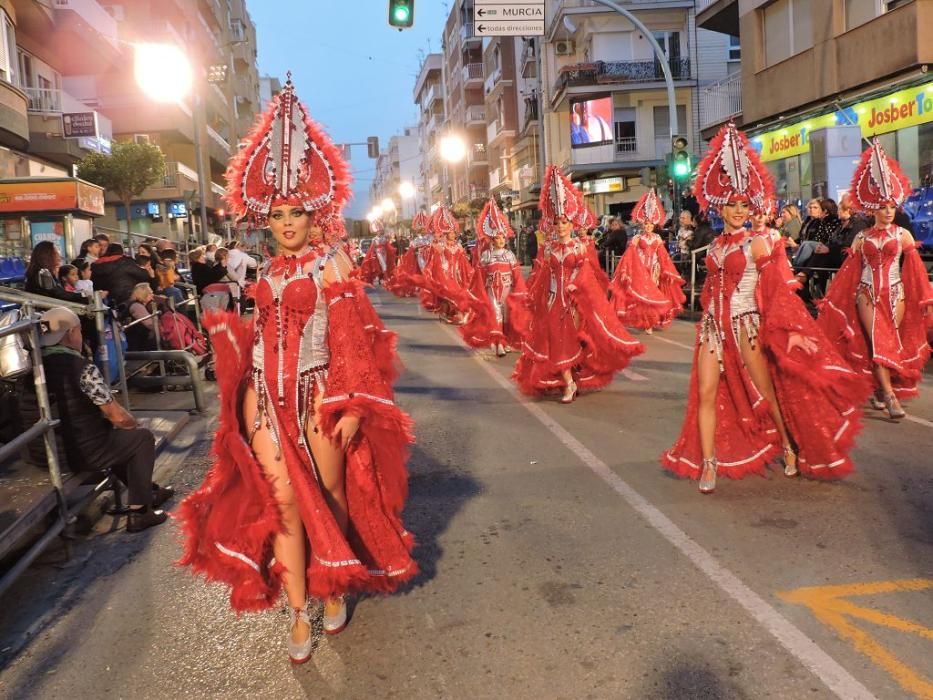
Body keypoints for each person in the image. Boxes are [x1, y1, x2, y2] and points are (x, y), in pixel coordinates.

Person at [177, 78, 416, 662]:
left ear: (314, 216)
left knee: (330, 493)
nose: (287, 223)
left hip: (317, 395)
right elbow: (259, 336)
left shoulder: (333, 267)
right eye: (278, 214)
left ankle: (331, 584)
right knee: (282, 503)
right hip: (267, 400)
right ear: (267, 219)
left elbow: (351, 342)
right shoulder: (262, 267)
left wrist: (351, 404)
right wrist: (244, 392)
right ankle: (298, 611)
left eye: (296, 213)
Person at [661, 123, 867, 494]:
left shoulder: (757, 245)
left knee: (766, 392)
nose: (739, 211)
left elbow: (776, 294)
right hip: (713, 329)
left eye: (744, 205)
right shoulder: (713, 247)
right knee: (705, 393)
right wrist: (707, 314)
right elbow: (710, 289)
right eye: (732, 204)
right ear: (719, 206)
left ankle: (788, 445)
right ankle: (709, 463)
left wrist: (791, 334)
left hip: (746, 326)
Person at [818, 139, 933, 420]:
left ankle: (880, 388)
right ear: (872, 209)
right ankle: (891, 396)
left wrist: (925, 298)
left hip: (896, 294)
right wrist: (835, 302)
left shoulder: (903, 235)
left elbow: (915, 271)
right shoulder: (861, 237)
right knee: (877, 339)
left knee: (885, 342)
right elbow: (848, 274)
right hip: (866, 294)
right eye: (882, 206)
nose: (888, 210)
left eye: (892, 205)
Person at [512, 165, 644, 403]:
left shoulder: (579, 247)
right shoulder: (550, 248)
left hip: (575, 302)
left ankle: (574, 377)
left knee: (574, 341)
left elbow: (586, 273)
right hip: (554, 301)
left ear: (571, 224)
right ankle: (569, 383)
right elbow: (543, 276)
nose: (561, 226)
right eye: (557, 222)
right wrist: (535, 297)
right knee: (555, 340)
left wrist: (576, 288)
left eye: (564, 222)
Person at [37, 307, 171, 532]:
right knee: (140, 438)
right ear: (71, 333)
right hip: (76, 453)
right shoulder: (80, 367)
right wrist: (132, 424)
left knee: (118, 440)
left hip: (41, 453)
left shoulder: (33, 367)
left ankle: (150, 491)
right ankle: (139, 513)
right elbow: (117, 416)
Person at [609, 189, 685, 333]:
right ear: (642, 224)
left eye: (650, 224)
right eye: (646, 224)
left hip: (654, 270)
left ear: (654, 225)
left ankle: (651, 321)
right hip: (641, 270)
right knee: (643, 296)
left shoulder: (657, 238)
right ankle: (645, 321)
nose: (648, 226)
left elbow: (663, 256)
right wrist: (627, 270)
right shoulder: (637, 238)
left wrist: (667, 270)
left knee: (653, 294)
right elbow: (629, 255)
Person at [460, 199, 529, 356]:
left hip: (507, 290)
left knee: (507, 316)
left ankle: (506, 341)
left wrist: (519, 292)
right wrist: (479, 293)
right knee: (495, 315)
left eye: (503, 238)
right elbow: (479, 276)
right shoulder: (486, 256)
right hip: (491, 291)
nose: (501, 240)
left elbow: (517, 275)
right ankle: (497, 343)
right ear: (492, 239)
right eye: (497, 238)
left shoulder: (510, 255)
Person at [421, 206, 473, 324]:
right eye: (451, 232)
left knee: (456, 294)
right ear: (446, 233)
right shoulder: (440, 246)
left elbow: (463, 262)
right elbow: (433, 259)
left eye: (454, 232)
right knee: (449, 293)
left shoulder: (458, 246)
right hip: (443, 275)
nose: (453, 234)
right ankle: (451, 313)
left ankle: (448, 313)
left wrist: (469, 272)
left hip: (456, 275)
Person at [390, 210, 430, 298]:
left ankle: (428, 286)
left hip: (430, 256)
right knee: (424, 270)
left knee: (429, 271)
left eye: (424, 229)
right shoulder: (416, 240)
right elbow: (412, 249)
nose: (424, 231)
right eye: (422, 229)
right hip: (420, 256)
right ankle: (425, 287)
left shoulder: (430, 238)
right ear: (419, 230)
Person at [359, 219, 397, 286]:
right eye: (378, 231)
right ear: (376, 232)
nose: (379, 232)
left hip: (384, 253)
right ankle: (386, 278)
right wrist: (373, 254)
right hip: (378, 253)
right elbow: (372, 248)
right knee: (383, 265)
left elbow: (388, 245)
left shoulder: (384, 238)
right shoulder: (374, 239)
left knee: (384, 265)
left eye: (380, 231)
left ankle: (382, 278)